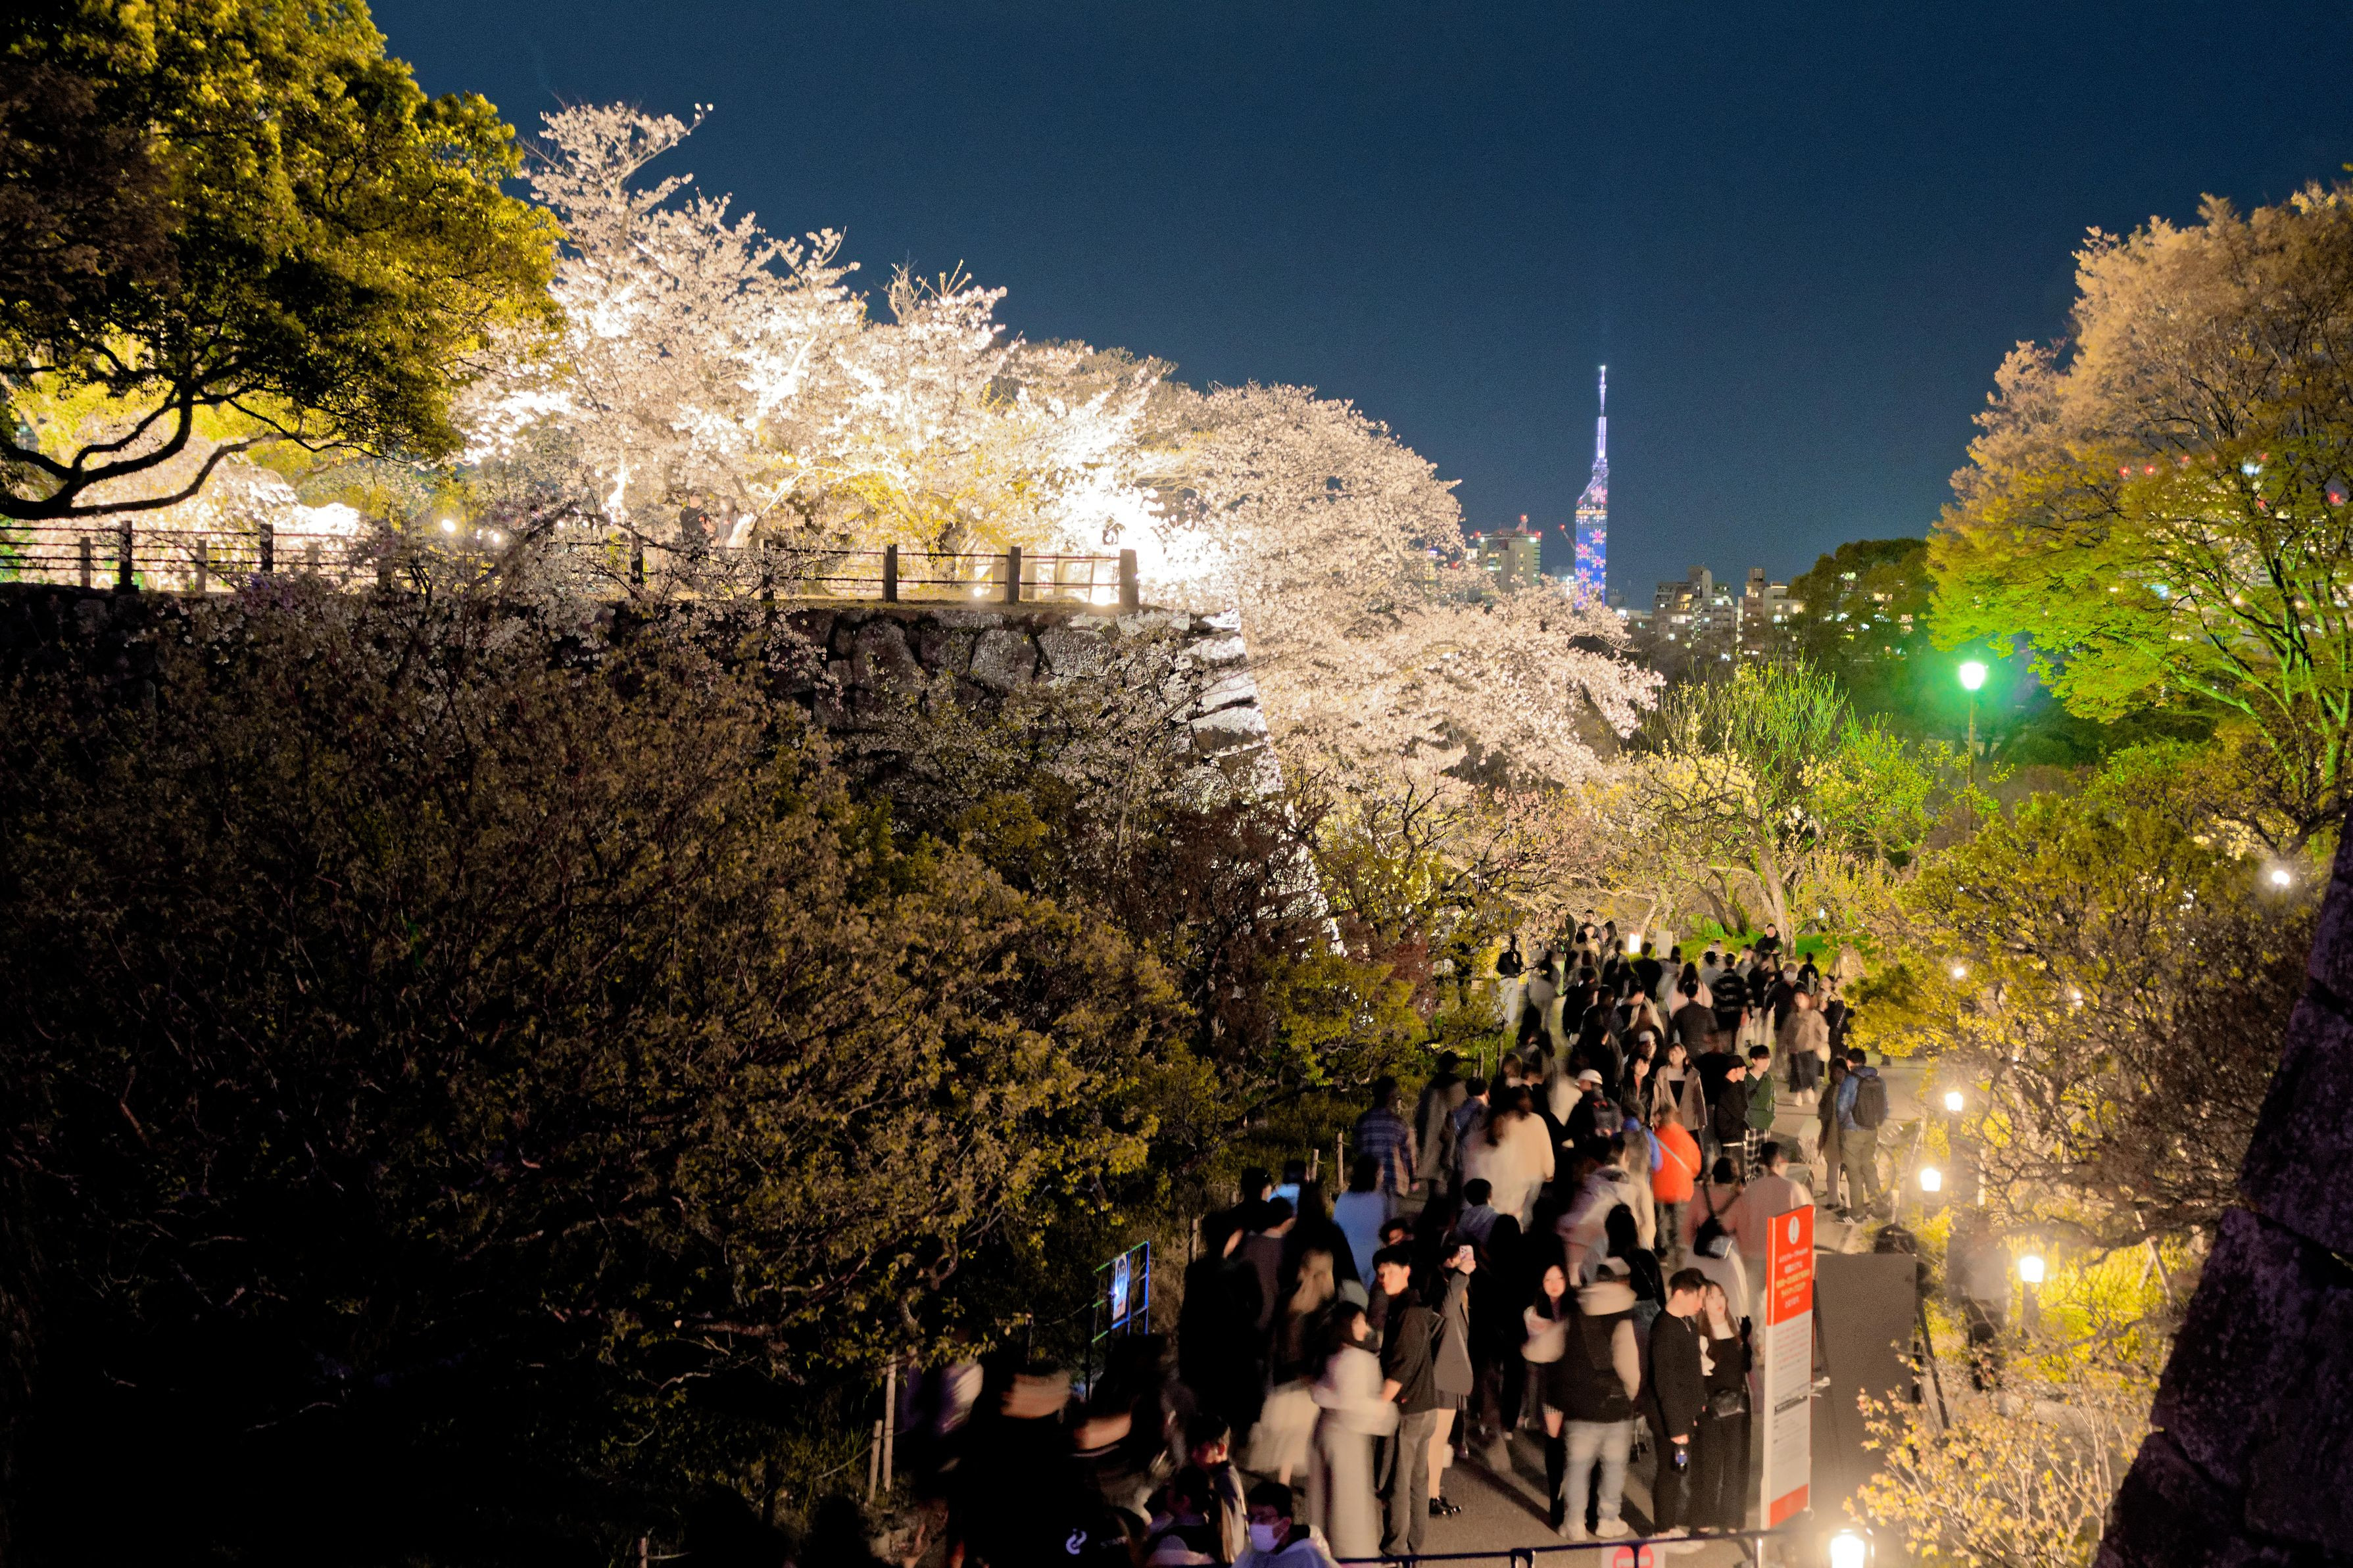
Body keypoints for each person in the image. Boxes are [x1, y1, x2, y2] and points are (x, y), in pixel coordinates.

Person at [1559, 1256, 1643, 1542]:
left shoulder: (1576, 1309)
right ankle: (1608, 1520)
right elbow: (1627, 1364)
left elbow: (1553, 1348)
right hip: (1614, 1405)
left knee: (1578, 1467)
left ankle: (1574, 1523)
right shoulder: (1624, 1315)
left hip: (1578, 1404)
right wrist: (1634, 1395)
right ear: (1623, 1282)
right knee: (1614, 1467)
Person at [1371, 1245, 1443, 1559]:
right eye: (1380, 1273)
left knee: (1400, 1482)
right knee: (1416, 1479)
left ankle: (1397, 1548)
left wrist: (1375, 1408)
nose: (1383, 1278)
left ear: (1406, 1271)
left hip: (1409, 1408)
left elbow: (1400, 1369)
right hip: (1424, 1404)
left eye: (1390, 1272)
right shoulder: (1411, 1307)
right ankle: (1414, 1545)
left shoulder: (1408, 1312)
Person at [1310, 1296, 1393, 1560]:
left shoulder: (1329, 1356)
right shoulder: (1358, 1360)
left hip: (1325, 1432)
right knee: (1348, 1510)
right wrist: (1385, 1411)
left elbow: (1320, 1392)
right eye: (1359, 1321)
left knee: (1324, 1503)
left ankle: (1322, 1557)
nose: (1364, 1327)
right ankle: (1349, 1561)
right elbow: (1355, 1405)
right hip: (1347, 1438)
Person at [1644, 1270, 1711, 1548]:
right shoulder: (1664, 1328)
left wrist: (1696, 1407)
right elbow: (1666, 1382)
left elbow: (1691, 1371)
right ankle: (1662, 1530)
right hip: (1668, 1417)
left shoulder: (1687, 1323)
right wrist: (1676, 1427)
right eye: (1699, 1298)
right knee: (1669, 1470)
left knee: (1676, 1470)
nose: (1701, 1305)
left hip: (1684, 1414)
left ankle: (1669, 1526)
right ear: (1681, 1293)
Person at [1692, 1279, 1751, 1534]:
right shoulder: (1701, 1336)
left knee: (1734, 1466)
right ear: (1702, 1304)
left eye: (1721, 1296)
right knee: (1710, 1466)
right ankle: (1703, 1519)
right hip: (1712, 1410)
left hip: (1736, 1408)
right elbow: (1697, 1376)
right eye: (1711, 1297)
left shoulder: (1736, 1329)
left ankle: (1731, 1520)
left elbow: (1745, 1369)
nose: (1718, 1302)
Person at [1522, 1262, 1576, 1531]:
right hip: (1552, 1385)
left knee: (1575, 1446)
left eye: (1559, 1278)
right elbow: (1545, 1344)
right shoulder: (1533, 1312)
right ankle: (1556, 1502)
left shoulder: (1575, 1308)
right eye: (1548, 1279)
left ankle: (1575, 1501)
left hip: (1575, 1385)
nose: (1554, 1284)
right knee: (1554, 1444)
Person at [1725, 1141, 1812, 1308]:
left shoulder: (1751, 1190)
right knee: (1782, 1304)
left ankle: (1757, 1325)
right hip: (1782, 1257)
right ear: (1781, 1162)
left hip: (1753, 1256)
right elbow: (1804, 1223)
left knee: (1755, 1303)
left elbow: (1736, 1222)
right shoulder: (1793, 1188)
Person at [1426, 1242, 1476, 1517]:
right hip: (1442, 1375)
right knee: (1435, 1440)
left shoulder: (1457, 1289)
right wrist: (1461, 1275)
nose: (1461, 1263)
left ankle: (1433, 1492)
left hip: (1450, 1375)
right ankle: (1429, 1495)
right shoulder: (1440, 1288)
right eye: (1456, 1258)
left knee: (1439, 1440)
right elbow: (1445, 1310)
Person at [1463, 1083, 1554, 1228]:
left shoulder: (1480, 1133)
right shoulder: (1535, 1124)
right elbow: (1548, 1170)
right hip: (1516, 1209)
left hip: (1479, 1214)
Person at [1835, 1047, 1889, 1217]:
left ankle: (1857, 1211)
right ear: (1864, 1061)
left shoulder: (1850, 1080)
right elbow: (1885, 1107)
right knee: (1870, 1168)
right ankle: (1878, 1205)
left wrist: (1843, 1124)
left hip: (1853, 1131)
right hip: (1871, 1131)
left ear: (1849, 1062)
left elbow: (1842, 1107)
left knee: (1854, 1173)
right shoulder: (1879, 1080)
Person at [1236, 1481, 1342, 1568]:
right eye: (1251, 1518)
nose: (1253, 1525)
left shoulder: (1310, 1559)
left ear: (1285, 1523)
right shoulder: (1252, 1555)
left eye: (1262, 1518)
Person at [1146, 1467, 1226, 1567]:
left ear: (1184, 1500)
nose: (1165, 1491)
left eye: (1171, 1487)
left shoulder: (1172, 1542)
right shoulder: (1208, 1528)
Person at [1653, 1111, 1702, 1271]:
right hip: (1681, 1188)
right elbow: (1696, 1165)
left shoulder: (1656, 1137)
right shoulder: (1686, 1139)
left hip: (1659, 1187)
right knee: (1678, 1223)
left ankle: (1662, 1253)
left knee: (1660, 1221)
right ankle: (1679, 1256)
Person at [1353, 1078, 1418, 1199]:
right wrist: (1413, 1178)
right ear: (1392, 1096)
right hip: (1393, 1182)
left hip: (1368, 1182)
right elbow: (1409, 1153)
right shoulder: (1400, 1124)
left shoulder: (1363, 1120)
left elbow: (1357, 1147)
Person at [1332, 1156, 1389, 1282]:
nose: (1383, 1177)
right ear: (1375, 1176)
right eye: (1381, 1174)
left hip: (1349, 1257)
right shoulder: (1380, 1200)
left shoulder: (1343, 1199)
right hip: (1374, 1258)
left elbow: (1337, 1231)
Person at [1781, 987, 1832, 1108]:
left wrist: (1820, 1044)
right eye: (1796, 997)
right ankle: (1798, 1096)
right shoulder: (1792, 1016)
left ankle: (1809, 1089)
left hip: (1811, 1049)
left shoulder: (1814, 1015)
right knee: (1797, 1073)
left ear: (1807, 999)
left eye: (1801, 997)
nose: (1799, 1000)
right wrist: (1785, 1046)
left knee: (1810, 1072)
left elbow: (1823, 1031)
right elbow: (1786, 1033)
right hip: (1796, 1049)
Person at [1816, 1055, 1851, 1210]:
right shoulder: (1830, 1090)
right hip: (1831, 1131)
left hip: (1847, 1133)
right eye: (1836, 1072)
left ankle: (1848, 1202)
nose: (1839, 1076)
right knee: (1833, 1166)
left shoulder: (1850, 1090)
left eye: (1841, 1072)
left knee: (1848, 1168)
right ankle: (1832, 1199)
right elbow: (1823, 1110)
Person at [1710, 1057, 1752, 1177]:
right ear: (1735, 1070)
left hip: (1732, 1138)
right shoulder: (1728, 1090)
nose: (1746, 1072)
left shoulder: (1730, 1086)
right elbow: (1741, 1110)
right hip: (1731, 1140)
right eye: (1744, 1069)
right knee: (1735, 1176)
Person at [1744, 1044, 1777, 1171]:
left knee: (1762, 1161)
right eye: (1763, 1059)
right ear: (1754, 1060)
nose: (1767, 1063)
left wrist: (1771, 1117)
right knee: (1748, 1159)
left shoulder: (1768, 1079)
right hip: (1750, 1124)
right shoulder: (1745, 1078)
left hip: (1764, 1125)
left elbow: (1773, 1100)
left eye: (1768, 1059)